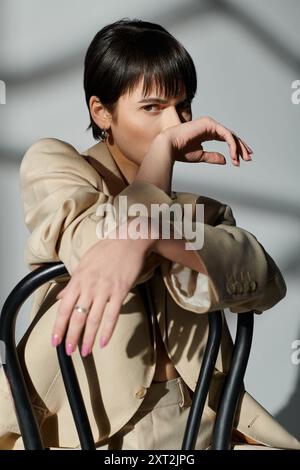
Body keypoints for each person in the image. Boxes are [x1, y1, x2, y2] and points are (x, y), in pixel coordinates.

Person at [0, 18, 299, 450]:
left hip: (199, 424)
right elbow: (90, 244)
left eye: (183, 106)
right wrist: (160, 166)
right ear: (101, 112)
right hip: (90, 428)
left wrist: (155, 236)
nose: (175, 125)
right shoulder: (55, 165)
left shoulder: (197, 211)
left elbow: (262, 278)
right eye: (152, 107)